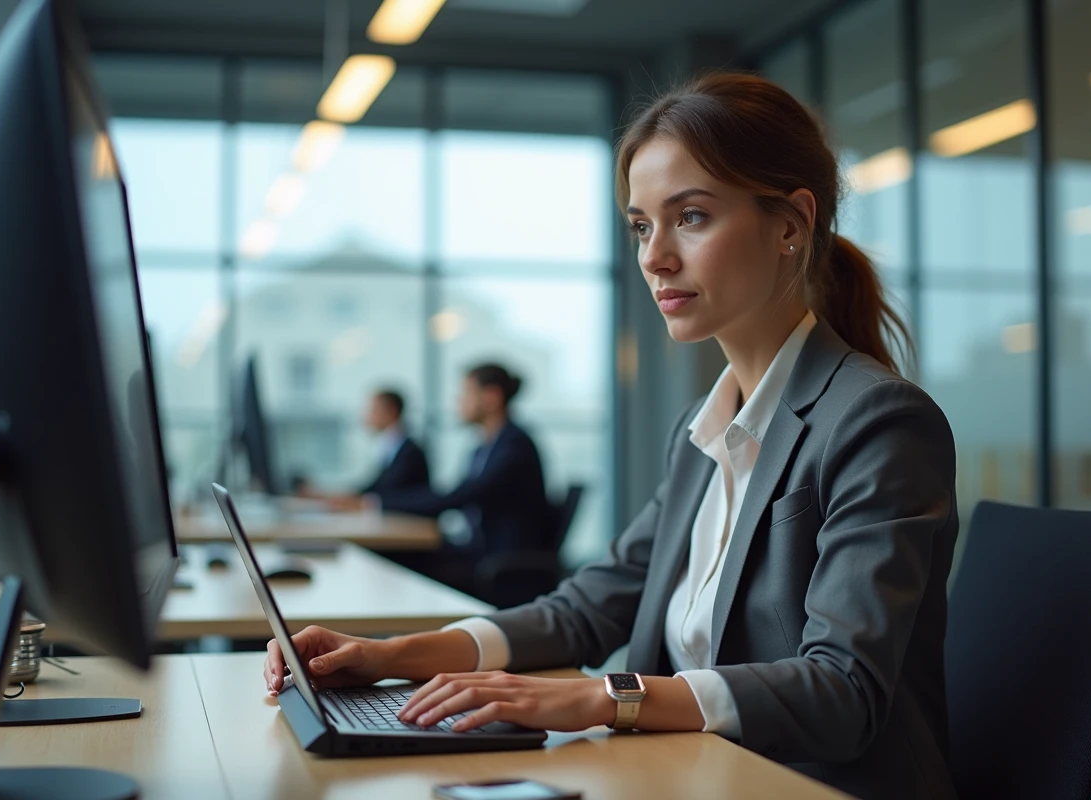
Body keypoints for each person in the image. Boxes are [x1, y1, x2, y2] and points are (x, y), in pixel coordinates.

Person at [264, 72, 959, 800]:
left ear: (790, 225)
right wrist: (392, 656)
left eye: (690, 217)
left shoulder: (878, 422)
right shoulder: (702, 431)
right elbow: (587, 609)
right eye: (641, 225)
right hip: (692, 778)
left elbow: (841, 690)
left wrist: (605, 697)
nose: (655, 256)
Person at [372, 363, 551, 559]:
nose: (459, 401)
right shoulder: (484, 447)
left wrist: (378, 503)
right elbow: (456, 492)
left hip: (497, 559)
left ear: (492, 397)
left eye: (467, 393)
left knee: (402, 559)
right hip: (478, 549)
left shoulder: (514, 446)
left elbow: (461, 495)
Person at [304, 389, 429, 511]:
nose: (366, 416)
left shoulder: (409, 452)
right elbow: (375, 487)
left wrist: (357, 501)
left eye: (373, 410)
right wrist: (332, 494)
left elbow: (389, 491)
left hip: (410, 524)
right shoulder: (391, 447)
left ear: (391, 411)